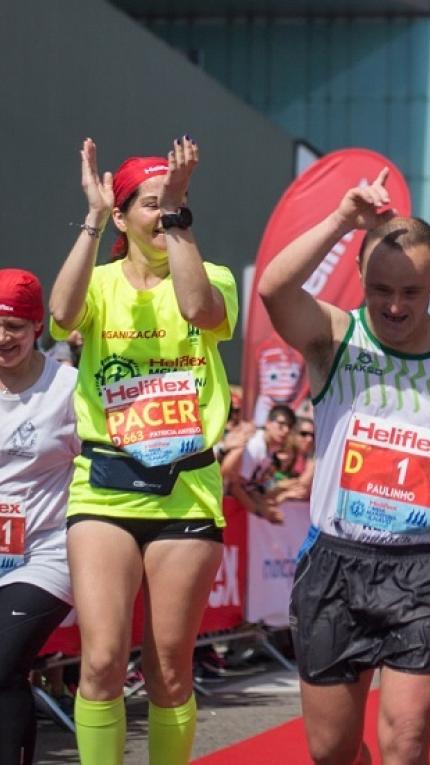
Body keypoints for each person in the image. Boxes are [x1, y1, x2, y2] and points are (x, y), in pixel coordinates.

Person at [257, 167, 430, 765]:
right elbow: (275, 291)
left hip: (426, 570)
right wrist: (341, 221)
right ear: (359, 276)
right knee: (330, 751)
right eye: (381, 289)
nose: (394, 305)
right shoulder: (335, 337)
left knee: (405, 740)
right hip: (335, 561)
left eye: (411, 291)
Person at [49, 137, 238, 765]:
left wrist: (178, 216)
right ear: (124, 215)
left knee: (167, 671)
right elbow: (58, 314)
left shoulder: (211, 273)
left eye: (173, 204)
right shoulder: (100, 282)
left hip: (185, 490)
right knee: (101, 660)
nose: (161, 215)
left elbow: (197, 309)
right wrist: (92, 219)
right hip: (103, 483)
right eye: (150, 205)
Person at [0, 269, 79, 765]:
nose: (3, 337)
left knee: (3, 660)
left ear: (35, 329)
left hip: (46, 551)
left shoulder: (67, 388)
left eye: (14, 326)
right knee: (7, 673)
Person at [221, 403, 293, 524]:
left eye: (289, 426)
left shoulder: (268, 450)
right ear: (268, 423)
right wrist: (260, 511)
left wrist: (264, 506)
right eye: (281, 424)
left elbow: (249, 486)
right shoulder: (255, 446)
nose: (285, 430)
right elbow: (234, 486)